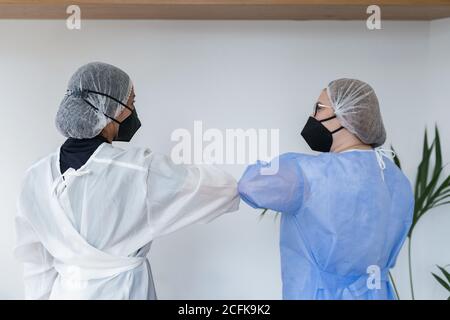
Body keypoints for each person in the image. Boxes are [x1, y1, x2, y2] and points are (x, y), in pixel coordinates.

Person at [14, 62, 240, 300]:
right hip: (125, 292)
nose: (131, 110)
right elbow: (205, 188)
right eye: (131, 103)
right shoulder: (137, 169)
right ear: (110, 108)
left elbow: (35, 260)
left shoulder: (35, 176)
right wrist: (250, 185)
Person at [238, 78, 414, 300]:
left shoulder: (307, 173)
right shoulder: (397, 180)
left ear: (346, 114)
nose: (313, 117)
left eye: (319, 109)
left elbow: (250, 185)